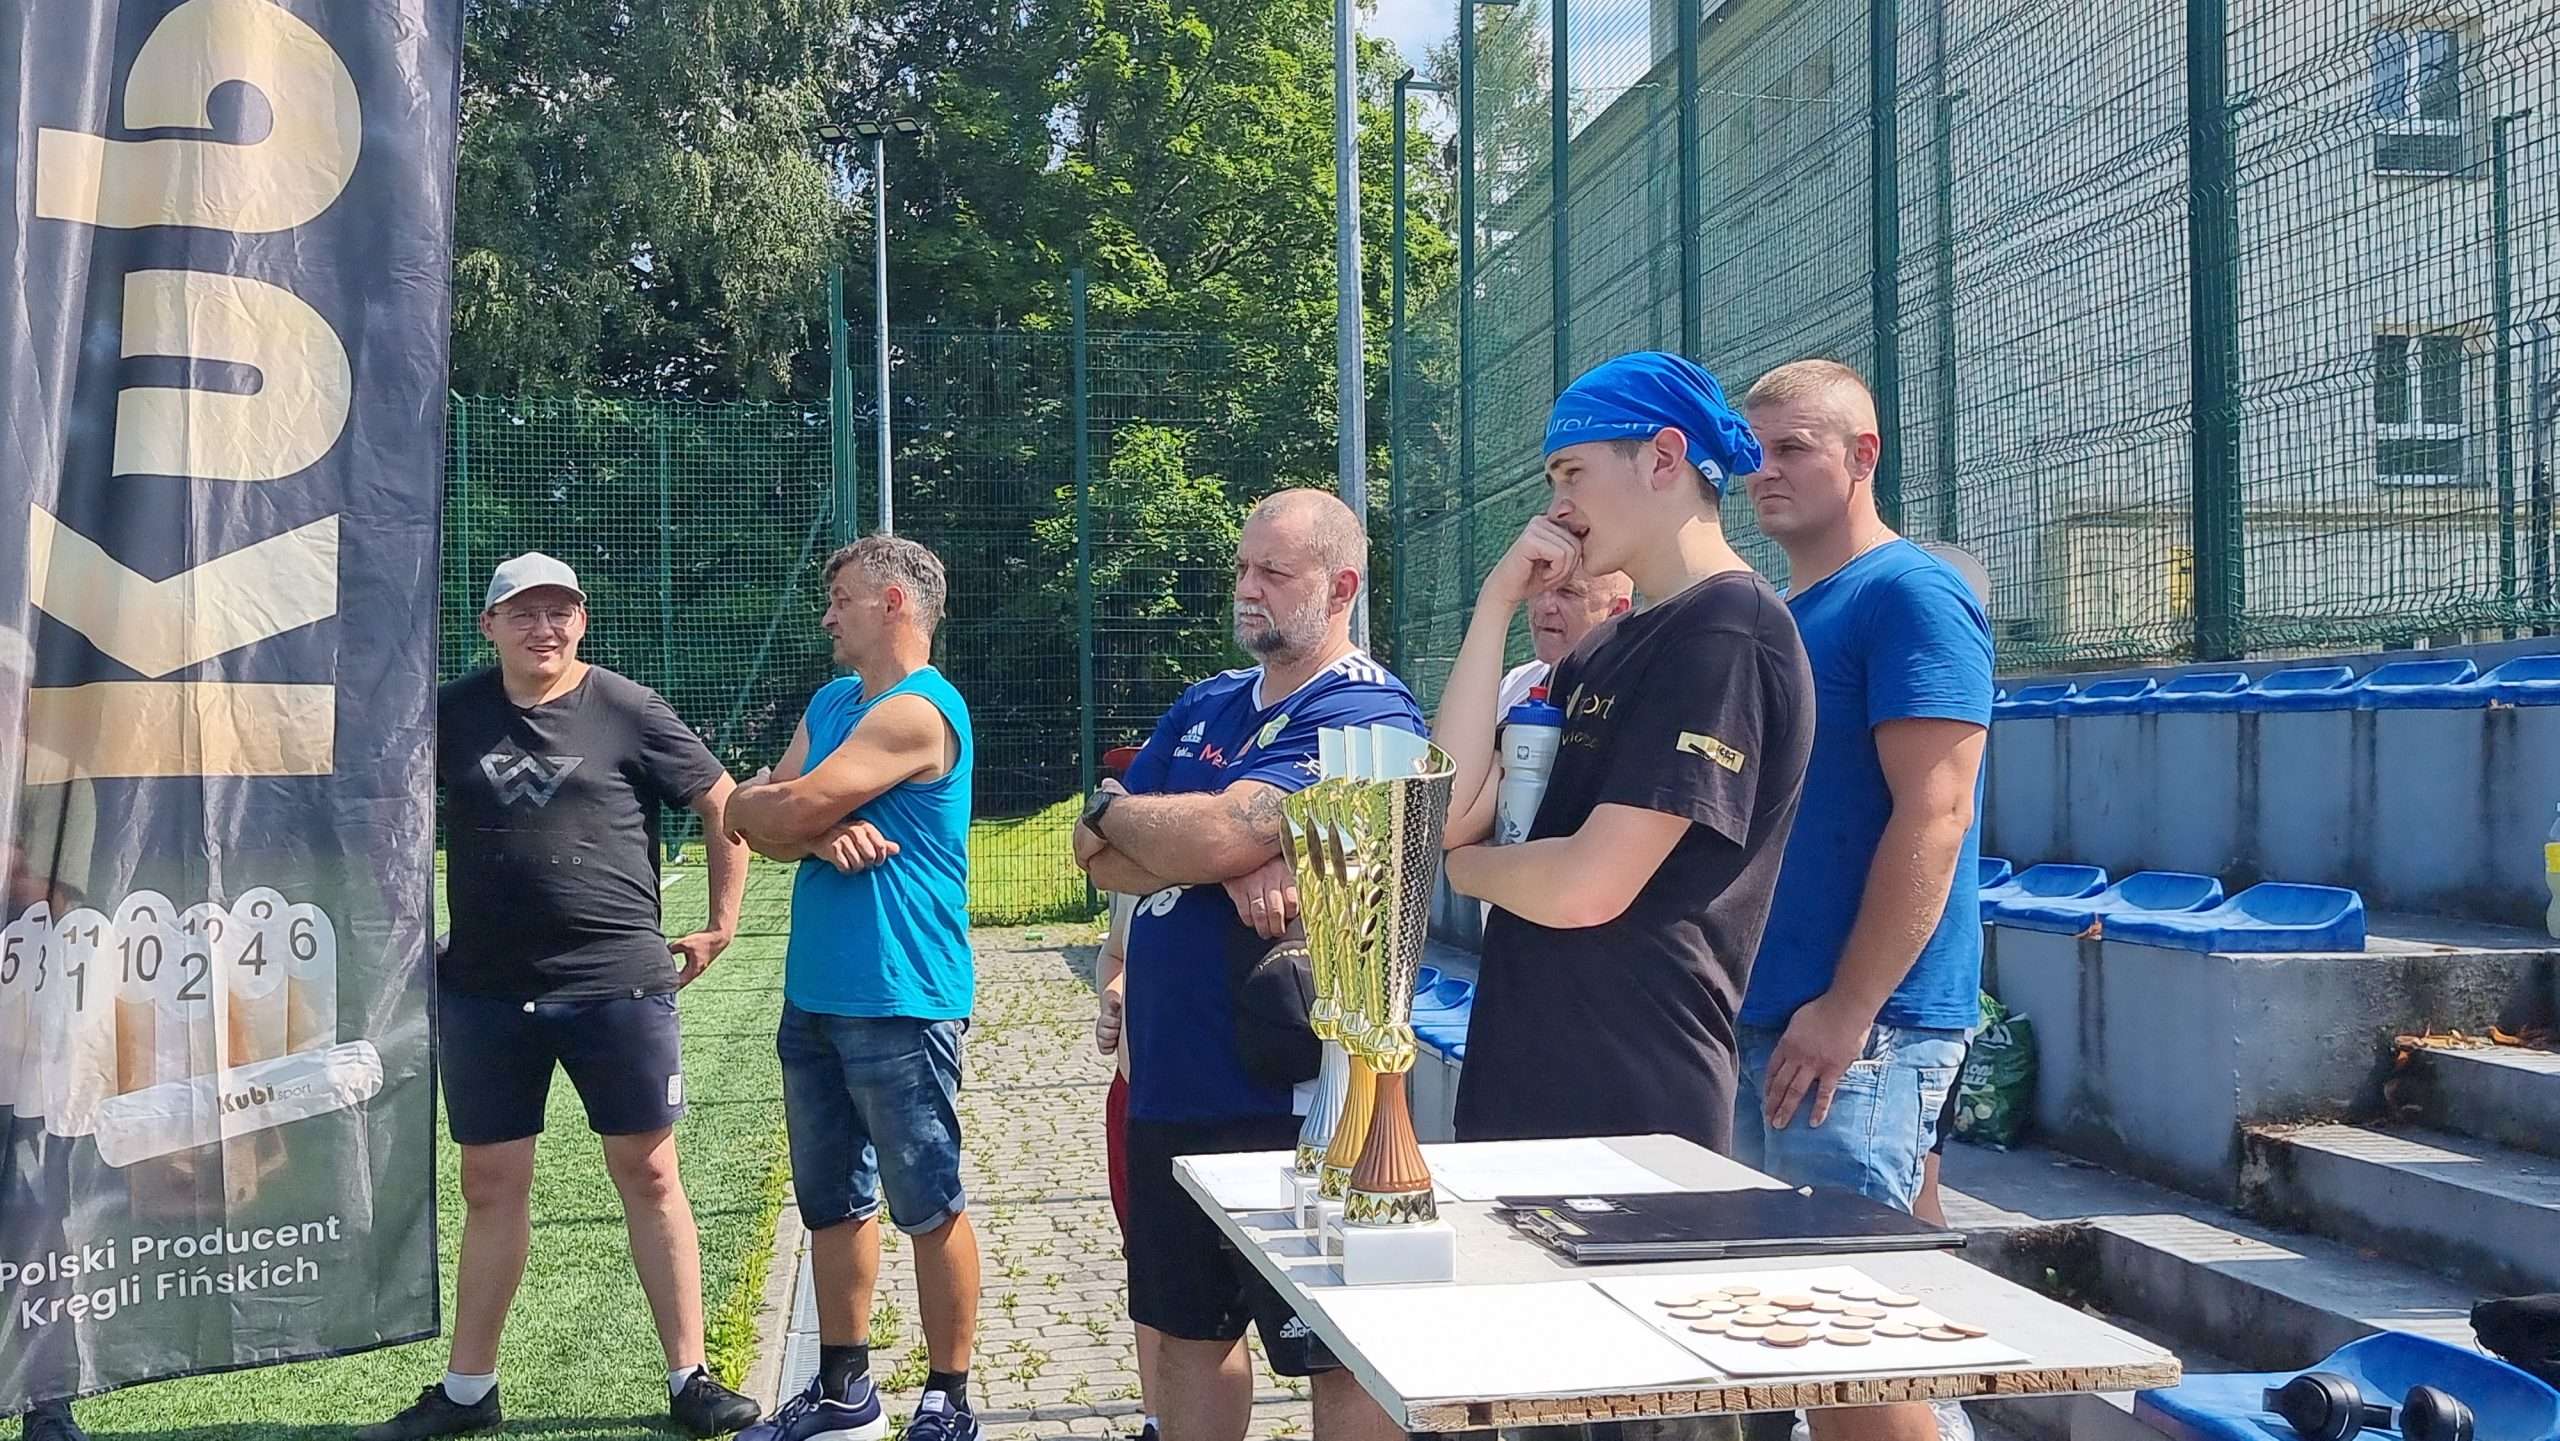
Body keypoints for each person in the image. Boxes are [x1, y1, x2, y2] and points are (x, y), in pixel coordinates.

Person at [364, 554, 761, 1440]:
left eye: (560, 611)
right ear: (489, 625)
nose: (544, 628)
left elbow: (724, 803)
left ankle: (691, 1377)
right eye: (523, 612)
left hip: (617, 984)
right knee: (489, 1183)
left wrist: (721, 923)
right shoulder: (450, 712)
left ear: (581, 620)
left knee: (650, 1172)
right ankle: (469, 1389)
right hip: (485, 993)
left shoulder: (628, 707)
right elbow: (380, 809)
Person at [1073, 489, 1423, 1441]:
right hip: (1171, 1083)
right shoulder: (1207, 702)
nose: (1247, 587)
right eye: (1241, 567)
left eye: (1273, 570)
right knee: (1189, 1333)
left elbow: (1219, 829)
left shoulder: (1366, 706)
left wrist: (1155, 823)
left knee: (1340, 1353)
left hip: (1295, 1096)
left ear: (1341, 586)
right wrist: (1191, 843)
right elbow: (1096, 855)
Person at [1436, 352, 1815, 1166]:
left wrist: (1468, 872)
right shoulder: (1602, 649)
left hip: (1634, 1103)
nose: (1558, 508)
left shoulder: (1729, 631)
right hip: (1519, 1086)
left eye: (1571, 473)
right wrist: (1494, 604)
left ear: (1664, 458)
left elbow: (1588, 886)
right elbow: (1450, 809)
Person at [1735, 360, 1994, 1441]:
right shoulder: (1786, 611)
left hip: (1860, 1033)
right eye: (1754, 452)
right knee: (1814, 1349)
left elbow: (1936, 813)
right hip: (1771, 1018)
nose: (1764, 471)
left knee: (1853, 1355)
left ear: (1863, 455)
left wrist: (1847, 1006)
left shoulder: (1908, 593)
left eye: (1793, 448)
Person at [724, 535, 983, 1441]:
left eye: (841, 598)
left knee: (928, 1202)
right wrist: (811, 828)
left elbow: (782, 803)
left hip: (902, 997)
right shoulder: (834, 701)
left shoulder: (920, 710)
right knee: (831, 1201)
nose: (828, 616)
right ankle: (844, 1390)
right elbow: (745, 811)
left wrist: (792, 814)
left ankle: (948, 1398)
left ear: (894, 604)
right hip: (817, 995)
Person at [1445, 567, 1634, 846]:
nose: (1544, 607)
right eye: (1537, 589)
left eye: (1567, 592)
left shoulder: (1626, 700)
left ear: (1616, 611)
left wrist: (1466, 864)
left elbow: (1450, 820)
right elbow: (1446, 798)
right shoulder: (1517, 682)